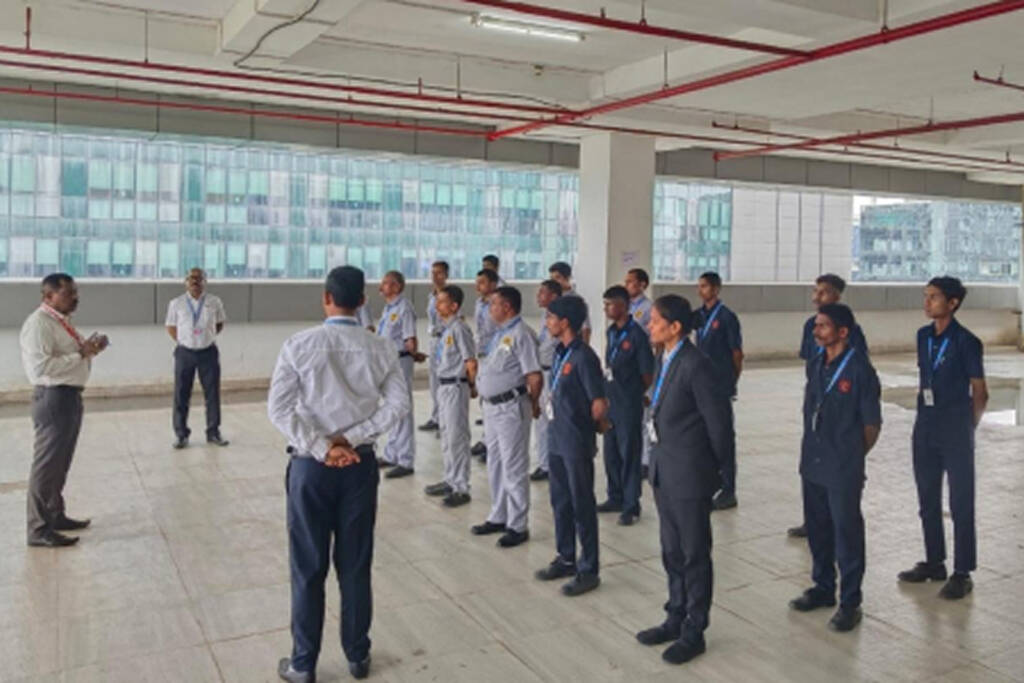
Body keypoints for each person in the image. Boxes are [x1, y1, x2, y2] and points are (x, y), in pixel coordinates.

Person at [268, 266, 409, 683]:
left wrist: (322, 446)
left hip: (311, 470)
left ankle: (303, 664)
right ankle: (357, 656)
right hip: (359, 469)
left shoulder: (299, 345)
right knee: (355, 564)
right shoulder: (381, 347)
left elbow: (279, 409)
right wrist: (352, 439)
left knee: (308, 567)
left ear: (326, 298)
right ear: (363, 300)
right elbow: (398, 405)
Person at [635, 295, 732, 665]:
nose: (649, 325)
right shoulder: (664, 357)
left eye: (655, 320)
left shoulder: (697, 365)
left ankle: (695, 628)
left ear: (675, 327)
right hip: (664, 469)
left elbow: (720, 425)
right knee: (671, 550)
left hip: (690, 474)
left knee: (694, 553)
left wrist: (721, 474)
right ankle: (675, 615)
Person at [788, 304, 881, 633]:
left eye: (823, 326)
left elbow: (871, 425)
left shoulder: (860, 370)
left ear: (843, 332)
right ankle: (823, 587)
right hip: (813, 461)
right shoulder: (816, 364)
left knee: (847, 533)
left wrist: (851, 456)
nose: (816, 331)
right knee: (818, 528)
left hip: (842, 466)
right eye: (816, 325)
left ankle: (850, 602)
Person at [897, 277, 987, 600]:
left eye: (934, 297)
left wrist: (966, 428)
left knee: (961, 502)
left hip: (955, 430)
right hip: (925, 427)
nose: (927, 302)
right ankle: (934, 562)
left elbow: (980, 393)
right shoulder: (923, 337)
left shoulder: (967, 342)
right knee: (927, 499)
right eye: (926, 296)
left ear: (952, 303)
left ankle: (962, 572)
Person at [20, 273, 109, 548]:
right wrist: (80, 354)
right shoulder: (38, 324)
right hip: (53, 398)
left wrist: (90, 349)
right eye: (68, 293)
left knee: (60, 464)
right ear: (49, 296)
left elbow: (70, 355)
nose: (75, 297)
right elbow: (41, 368)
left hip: (69, 397)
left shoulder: (60, 321)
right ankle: (38, 529)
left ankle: (55, 515)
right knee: (46, 467)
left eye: (75, 292)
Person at [534, 295, 608, 597]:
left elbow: (599, 404)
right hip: (556, 438)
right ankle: (566, 557)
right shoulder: (560, 352)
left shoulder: (584, 357)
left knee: (582, 504)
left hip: (575, 441)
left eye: (551, 318)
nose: (547, 322)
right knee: (560, 501)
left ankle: (588, 568)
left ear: (565, 322)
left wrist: (586, 427)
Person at [789, 273, 870, 538]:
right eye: (815, 291)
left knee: (838, 473)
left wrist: (855, 451)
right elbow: (809, 361)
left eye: (822, 292)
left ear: (836, 295)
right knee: (813, 465)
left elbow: (858, 369)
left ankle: (837, 522)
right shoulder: (809, 326)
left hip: (841, 403)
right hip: (818, 399)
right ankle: (813, 521)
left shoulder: (851, 329)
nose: (816, 297)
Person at [470, 286, 543, 548]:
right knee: (496, 463)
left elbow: (534, 375)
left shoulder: (522, 334)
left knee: (514, 466)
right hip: (492, 408)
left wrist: (534, 404)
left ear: (507, 307)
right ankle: (499, 515)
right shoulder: (501, 334)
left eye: (494, 304)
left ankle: (518, 524)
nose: (490, 309)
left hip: (511, 407)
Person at [598, 285, 654, 526]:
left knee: (629, 454)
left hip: (628, 403)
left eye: (610, 304)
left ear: (623, 305)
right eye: (605, 304)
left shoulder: (637, 335)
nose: (606, 309)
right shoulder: (611, 332)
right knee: (611, 453)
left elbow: (647, 374)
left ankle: (631, 505)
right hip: (611, 400)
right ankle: (615, 496)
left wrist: (634, 394)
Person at [423, 285, 477, 508]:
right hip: (444, 386)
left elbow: (470, 361)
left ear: (454, 306)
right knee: (446, 437)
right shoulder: (446, 329)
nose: (438, 306)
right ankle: (450, 479)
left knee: (457, 437)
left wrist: (472, 386)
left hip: (456, 386)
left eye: (442, 302)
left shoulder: (460, 329)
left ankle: (461, 487)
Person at [692, 271, 742, 511]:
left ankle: (728, 489)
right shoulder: (699, 316)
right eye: (699, 286)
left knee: (723, 438)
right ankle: (710, 483)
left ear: (716, 289)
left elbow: (737, 354)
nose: (700, 290)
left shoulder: (727, 317)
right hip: (701, 385)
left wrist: (731, 381)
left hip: (719, 385)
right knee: (704, 436)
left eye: (704, 286)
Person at [165, 267, 229, 449]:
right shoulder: (176, 303)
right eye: (191, 278)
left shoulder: (214, 302)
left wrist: (205, 337)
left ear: (204, 282)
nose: (195, 281)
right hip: (185, 353)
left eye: (199, 278)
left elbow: (219, 324)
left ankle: (213, 432)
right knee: (181, 394)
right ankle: (181, 434)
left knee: (212, 394)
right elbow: (171, 327)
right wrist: (186, 340)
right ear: (186, 282)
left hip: (208, 352)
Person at [376, 270, 419, 478]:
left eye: (386, 283)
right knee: (392, 407)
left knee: (403, 408)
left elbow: (410, 339)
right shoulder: (388, 308)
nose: (381, 286)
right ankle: (391, 453)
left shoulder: (404, 308)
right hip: (388, 362)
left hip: (401, 361)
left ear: (397, 286)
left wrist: (414, 354)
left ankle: (405, 459)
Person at [530, 280, 562, 482]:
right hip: (541, 371)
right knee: (540, 420)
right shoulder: (545, 317)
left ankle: (554, 463)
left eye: (542, 293)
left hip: (553, 372)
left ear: (554, 296)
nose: (538, 296)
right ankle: (544, 464)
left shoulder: (561, 318)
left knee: (553, 419)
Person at [471, 269, 500, 459]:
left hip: (495, 354)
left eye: (482, 282)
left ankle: (493, 443)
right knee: (484, 400)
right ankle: (486, 438)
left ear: (493, 284)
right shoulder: (479, 304)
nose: (478, 286)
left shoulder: (498, 304)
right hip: (482, 353)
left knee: (494, 400)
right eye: (477, 282)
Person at [419, 260, 450, 434]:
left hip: (445, 339)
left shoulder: (449, 296)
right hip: (433, 339)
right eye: (433, 273)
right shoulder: (432, 296)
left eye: (439, 273)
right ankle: (436, 416)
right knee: (434, 381)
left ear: (446, 275)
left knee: (444, 380)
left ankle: (445, 418)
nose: (435, 276)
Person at [548, 261, 591, 344]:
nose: (554, 282)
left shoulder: (576, 300)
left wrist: (584, 347)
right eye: (552, 279)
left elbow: (585, 328)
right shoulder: (552, 298)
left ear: (568, 278)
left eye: (557, 278)